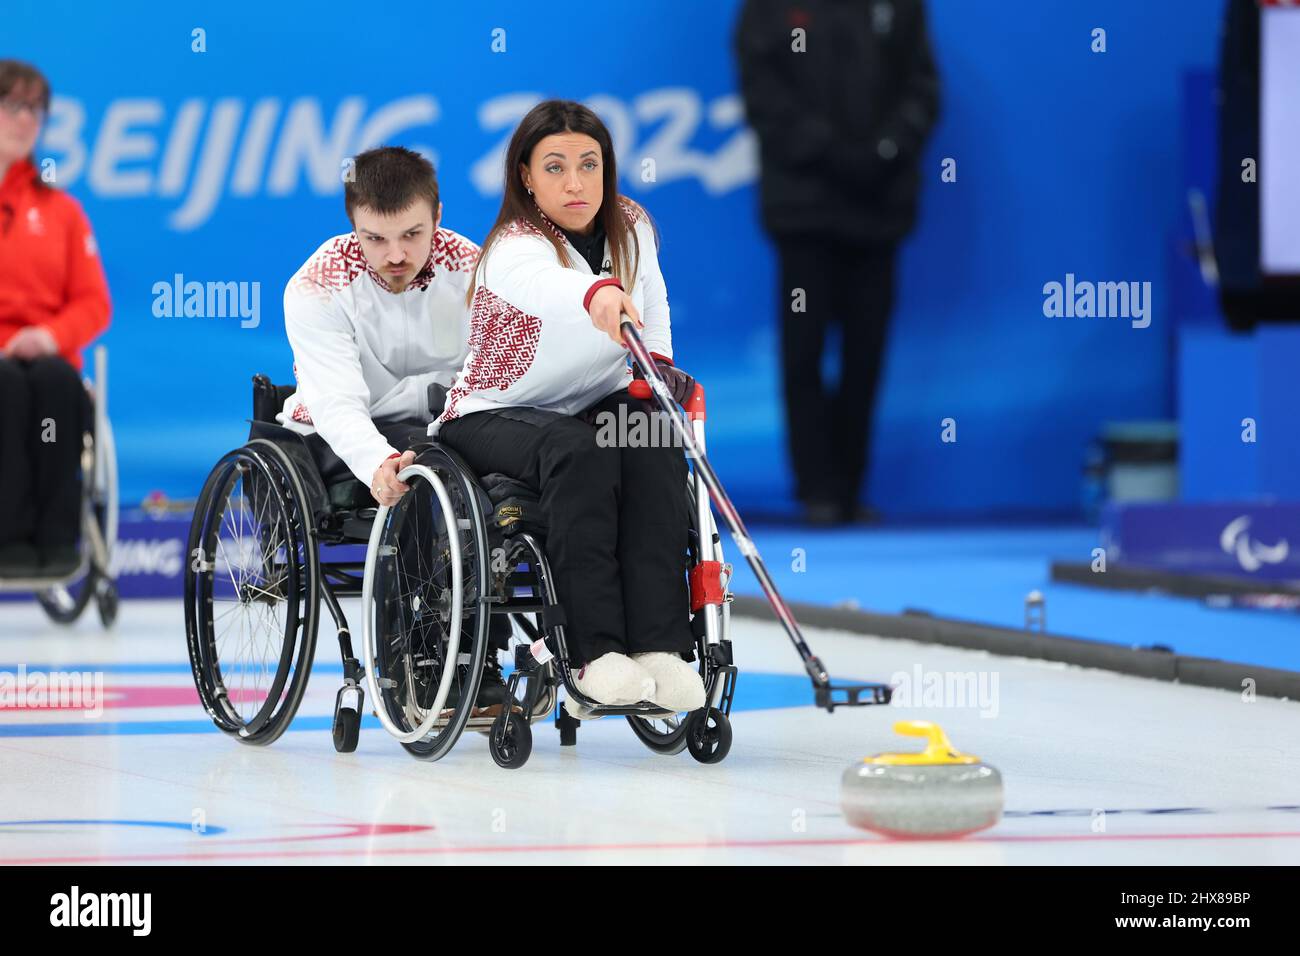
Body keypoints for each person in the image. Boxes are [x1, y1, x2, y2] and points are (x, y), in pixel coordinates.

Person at [432, 99, 705, 719]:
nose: (575, 182)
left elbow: (654, 303)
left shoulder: (631, 224)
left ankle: (661, 646)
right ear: (526, 176)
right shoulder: (512, 246)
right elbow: (549, 290)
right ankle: (594, 656)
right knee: (575, 450)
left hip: (591, 405)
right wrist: (598, 293)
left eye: (589, 164)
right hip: (491, 413)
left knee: (651, 435)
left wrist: (657, 372)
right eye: (554, 167)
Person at [278, 145, 509, 711]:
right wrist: (376, 460)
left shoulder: (478, 271)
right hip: (343, 435)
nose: (395, 254)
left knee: (494, 469)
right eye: (374, 239)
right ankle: (420, 655)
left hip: (446, 422)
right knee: (424, 471)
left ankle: (482, 653)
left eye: (411, 234)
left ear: (437, 214)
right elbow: (335, 400)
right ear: (353, 225)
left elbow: (498, 373)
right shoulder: (316, 286)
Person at [735, 0, 940, 525]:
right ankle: (817, 491)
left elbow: (922, 87)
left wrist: (885, 151)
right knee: (803, 352)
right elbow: (764, 95)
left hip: (879, 208)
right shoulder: (769, 8)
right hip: (804, 212)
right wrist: (830, 152)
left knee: (865, 352)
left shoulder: (899, 6)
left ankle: (849, 489)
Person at [0, 60, 111, 576]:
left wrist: (47, 335)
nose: (27, 119)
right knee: (7, 387)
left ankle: (57, 539)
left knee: (53, 384)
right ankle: (10, 536)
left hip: (48, 358)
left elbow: (93, 304)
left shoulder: (62, 212)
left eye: (36, 109)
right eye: (14, 105)